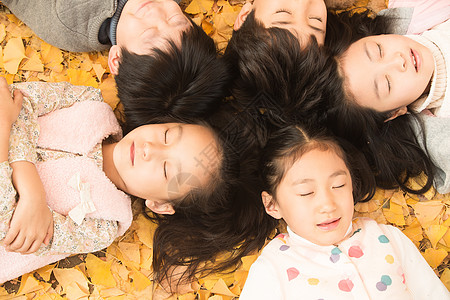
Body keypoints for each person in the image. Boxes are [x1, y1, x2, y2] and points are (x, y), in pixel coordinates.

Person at [240, 125, 449, 299]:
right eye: (306, 193)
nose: (328, 204)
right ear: (272, 205)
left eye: (338, 185)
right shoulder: (272, 269)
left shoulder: (388, 238)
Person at [2, 0, 202, 75]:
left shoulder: (67, 15)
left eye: (148, 34)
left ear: (118, 59)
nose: (155, 13)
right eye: (176, 20)